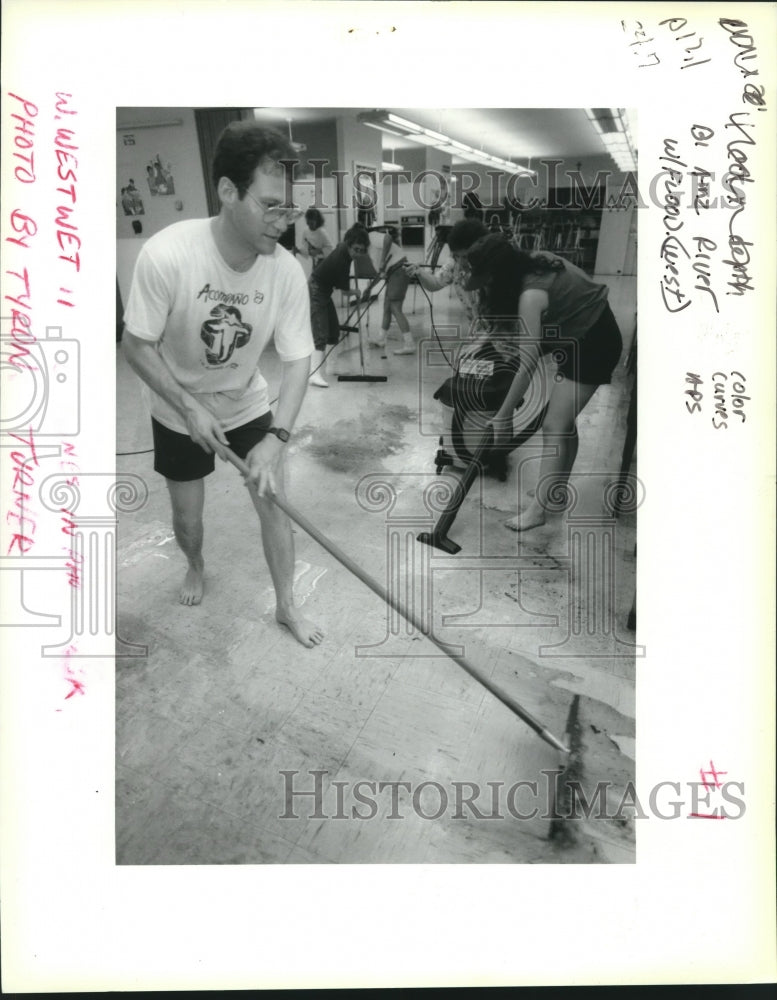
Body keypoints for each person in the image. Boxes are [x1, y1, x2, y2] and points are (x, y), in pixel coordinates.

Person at [121, 121, 324, 648]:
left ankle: (286, 606)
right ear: (229, 192)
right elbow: (136, 345)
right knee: (188, 518)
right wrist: (188, 408)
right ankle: (195, 564)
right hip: (175, 407)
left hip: (245, 400)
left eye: (289, 209)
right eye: (270, 206)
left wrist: (275, 439)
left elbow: (300, 360)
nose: (282, 222)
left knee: (274, 501)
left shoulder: (284, 271)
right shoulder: (168, 255)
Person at [462, 233, 623, 531]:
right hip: (584, 333)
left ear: (499, 275)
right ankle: (556, 494)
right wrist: (486, 338)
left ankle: (538, 511)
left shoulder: (530, 296)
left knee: (554, 426)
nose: (484, 287)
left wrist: (503, 415)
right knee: (565, 423)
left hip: (593, 343)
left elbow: (528, 363)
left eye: (486, 281)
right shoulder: (536, 261)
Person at [307, 224, 374, 387]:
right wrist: (356, 292)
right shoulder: (342, 259)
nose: (358, 254)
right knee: (320, 332)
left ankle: (332, 367)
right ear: (350, 245)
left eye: (361, 250)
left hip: (324, 290)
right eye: (356, 249)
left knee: (334, 331)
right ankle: (313, 374)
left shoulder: (344, 249)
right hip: (316, 290)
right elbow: (344, 292)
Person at [404, 217, 488, 327]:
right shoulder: (454, 263)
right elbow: (435, 283)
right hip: (477, 330)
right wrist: (419, 272)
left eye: (466, 257)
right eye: (457, 256)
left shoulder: (492, 267)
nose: (461, 261)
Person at [370, 226, 414, 355]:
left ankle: (409, 344)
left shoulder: (371, 236)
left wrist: (383, 260)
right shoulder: (369, 250)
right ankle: (381, 339)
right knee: (387, 306)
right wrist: (369, 289)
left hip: (398, 269)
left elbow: (388, 238)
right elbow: (380, 273)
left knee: (395, 307)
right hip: (393, 272)